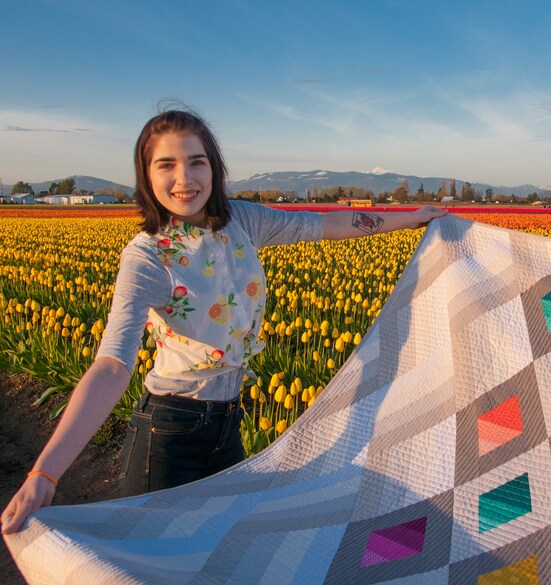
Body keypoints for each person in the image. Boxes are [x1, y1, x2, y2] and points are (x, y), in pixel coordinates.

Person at [1, 109, 446, 534]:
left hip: (229, 425)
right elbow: (114, 364)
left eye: (197, 162)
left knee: (218, 559)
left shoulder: (243, 221)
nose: (184, 178)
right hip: (169, 431)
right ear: (147, 175)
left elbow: (326, 224)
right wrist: (47, 470)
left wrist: (410, 218)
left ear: (213, 167)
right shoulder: (147, 257)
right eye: (167, 165)